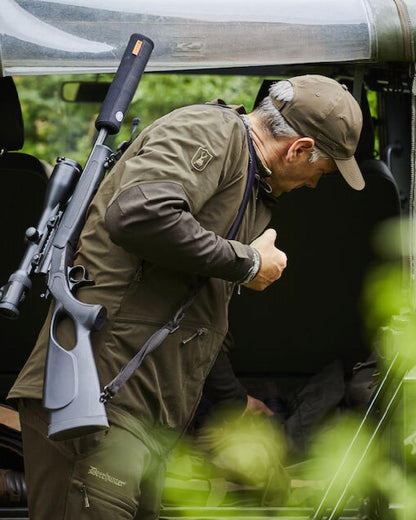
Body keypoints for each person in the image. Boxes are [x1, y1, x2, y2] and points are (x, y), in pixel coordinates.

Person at [8, 74, 364, 519]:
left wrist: (233, 403)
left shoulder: (251, 185)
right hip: (96, 402)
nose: (315, 185)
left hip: (142, 416)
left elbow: (191, 316)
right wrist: (248, 262)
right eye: (322, 172)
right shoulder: (208, 131)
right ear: (298, 149)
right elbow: (139, 215)